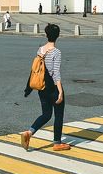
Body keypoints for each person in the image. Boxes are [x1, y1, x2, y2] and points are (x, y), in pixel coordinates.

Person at [21, 23, 69, 152]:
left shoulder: (40, 50)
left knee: (46, 114)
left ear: (46, 35)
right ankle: (57, 143)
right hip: (53, 88)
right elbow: (55, 73)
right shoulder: (56, 52)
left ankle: (29, 133)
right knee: (58, 115)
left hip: (41, 87)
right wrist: (60, 91)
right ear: (57, 36)